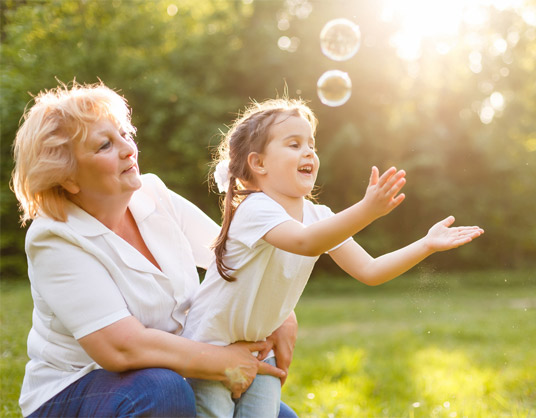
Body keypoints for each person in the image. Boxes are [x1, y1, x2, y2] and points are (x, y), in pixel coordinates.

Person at [10, 82, 299, 417]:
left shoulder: (154, 193)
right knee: (162, 391)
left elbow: (237, 261)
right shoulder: (54, 237)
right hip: (78, 389)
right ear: (67, 177)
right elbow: (121, 348)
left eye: (124, 134)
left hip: (172, 374)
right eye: (104, 145)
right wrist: (225, 362)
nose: (128, 149)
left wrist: (283, 316)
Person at [182, 98, 485, 417]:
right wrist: (368, 210)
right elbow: (305, 242)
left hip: (260, 350)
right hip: (209, 349)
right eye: (294, 144)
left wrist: (426, 244)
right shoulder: (254, 209)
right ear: (258, 163)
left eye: (311, 145)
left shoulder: (318, 215)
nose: (309, 152)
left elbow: (370, 270)